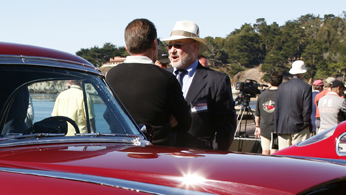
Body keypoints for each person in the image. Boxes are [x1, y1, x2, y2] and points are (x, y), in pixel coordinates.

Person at [105, 18, 190, 146]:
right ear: (154, 43)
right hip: (158, 155)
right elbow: (185, 122)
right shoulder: (165, 78)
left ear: (127, 47)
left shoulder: (111, 76)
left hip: (121, 152)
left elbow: (107, 116)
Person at [162, 21, 236, 151]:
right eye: (169, 46)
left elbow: (226, 127)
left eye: (178, 45)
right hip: (164, 157)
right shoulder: (161, 77)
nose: (172, 50)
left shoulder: (217, 81)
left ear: (195, 47)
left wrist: (214, 156)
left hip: (200, 159)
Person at [274, 60, 313, 148]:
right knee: (299, 156)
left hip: (282, 126)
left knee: (283, 156)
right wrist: (306, 124)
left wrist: (276, 127)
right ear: (303, 73)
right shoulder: (306, 87)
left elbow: (277, 108)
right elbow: (307, 109)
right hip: (299, 125)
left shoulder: (281, 87)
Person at [253, 71, 281, 155]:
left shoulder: (262, 95)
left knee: (265, 150)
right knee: (274, 150)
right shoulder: (281, 95)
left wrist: (257, 126)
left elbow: (257, 114)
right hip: (276, 128)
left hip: (264, 127)